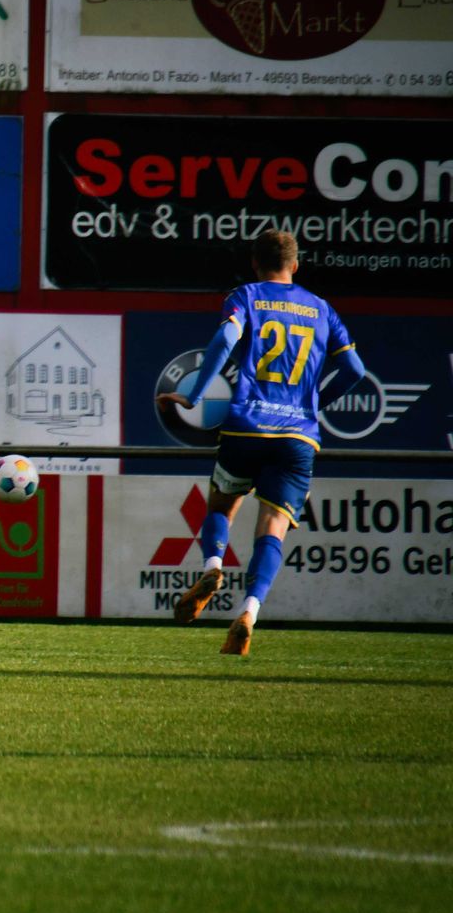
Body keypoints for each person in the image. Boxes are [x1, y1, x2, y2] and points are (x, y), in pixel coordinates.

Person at [155, 230, 364, 656]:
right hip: (297, 436)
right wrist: (312, 406)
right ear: (296, 264)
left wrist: (194, 396)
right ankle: (249, 611)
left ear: (254, 263)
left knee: (220, 506)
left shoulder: (246, 295)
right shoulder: (321, 309)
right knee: (273, 527)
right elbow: (355, 370)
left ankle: (213, 566)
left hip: (247, 426)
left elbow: (225, 339)